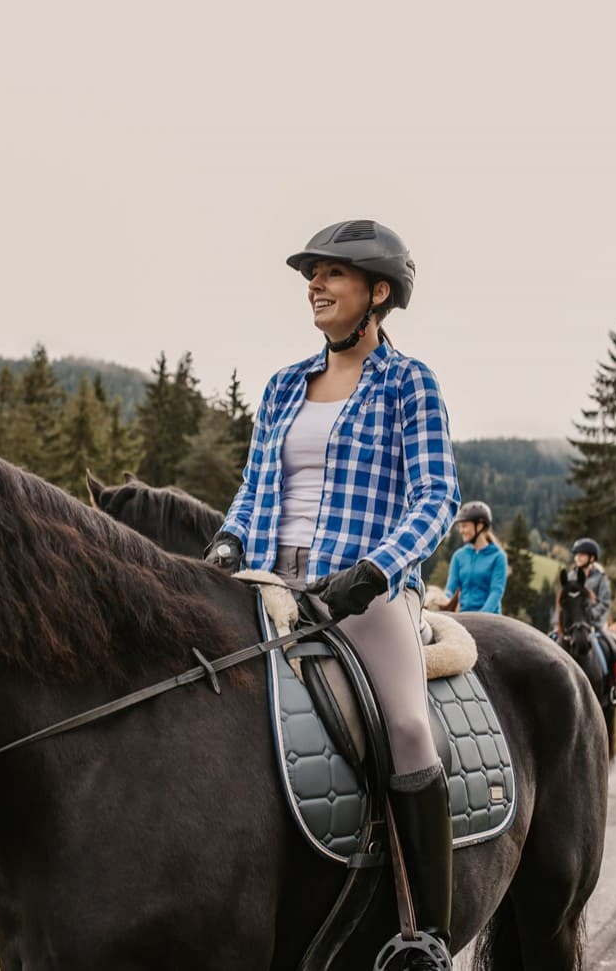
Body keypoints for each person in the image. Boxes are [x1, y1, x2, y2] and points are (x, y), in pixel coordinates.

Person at [205, 219, 460, 970]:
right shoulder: (286, 383)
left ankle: (428, 935)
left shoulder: (409, 382)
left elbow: (437, 496)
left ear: (378, 293)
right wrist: (228, 542)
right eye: (310, 275)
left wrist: (376, 571)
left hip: (365, 591)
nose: (313, 285)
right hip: (272, 583)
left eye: (331, 274)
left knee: (409, 729)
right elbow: (255, 489)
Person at [569, 537, 616, 703]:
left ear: (592, 558)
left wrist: (590, 617)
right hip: (573, 625)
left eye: (581, 555)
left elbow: (604, 603)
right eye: (576, 555)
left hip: (595, 624)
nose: (577, 558)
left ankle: (615, 686)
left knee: (615, 650)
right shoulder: (571, 576)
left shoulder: (601, 578)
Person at [444, 501, 507, 613]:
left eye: (465, 526)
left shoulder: (498, 557)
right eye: (460, 527)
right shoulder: (458, 556)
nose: (461, 531)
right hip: (464, 616)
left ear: (480, 526)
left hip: (490, 619)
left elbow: (496, 592)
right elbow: (450, 589)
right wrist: (443, 603)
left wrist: (481, 616)